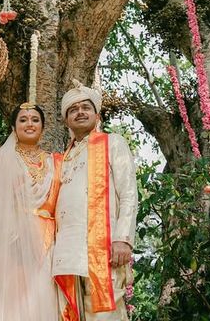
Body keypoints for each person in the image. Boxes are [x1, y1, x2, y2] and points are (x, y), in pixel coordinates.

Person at [53, 80, 138, 321]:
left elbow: (129, 193)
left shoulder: (113, 143)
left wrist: (123, 239)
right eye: (73, 109)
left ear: (97, 114)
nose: (80, 112)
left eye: (85, 107)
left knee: (104, 315)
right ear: (65, 119)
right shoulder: (64, 158)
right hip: (66, 253)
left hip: (103, 248)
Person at [0, 104, 62, 321]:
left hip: (49, 245)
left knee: (44, 299)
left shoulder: (54, 162)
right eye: (23, 119)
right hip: (14, 244)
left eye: (35, 119)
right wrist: (14, 235)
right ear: (13, 127)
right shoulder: (3, 160)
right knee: (14, 306)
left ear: (43, 127)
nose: (29, 124)